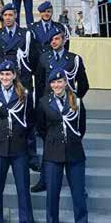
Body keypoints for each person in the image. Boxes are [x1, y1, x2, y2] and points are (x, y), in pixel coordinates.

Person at [0, 61, 37, 223]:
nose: (5, 77)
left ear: (14, 75)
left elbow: (30, 121)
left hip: (19, 148)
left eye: (8, 74)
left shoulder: (25, 94)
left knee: (23, 191)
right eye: (2, 74)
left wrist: (24, 141)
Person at [37, 70, 92, 223]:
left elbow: (81, 127)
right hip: (53, 154)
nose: (57, 86)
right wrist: (54, 142)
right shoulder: (44, 102)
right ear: (50, 85)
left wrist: (71, 141)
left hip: (75, 154)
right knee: (52, 196)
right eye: (53, 83)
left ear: (65, 83)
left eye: (60, 82)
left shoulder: (76, 100)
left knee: (78, 196)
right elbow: (41, 128)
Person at [32, 27, 89, 193]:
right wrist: (41, 104)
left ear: (64, 40)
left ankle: (78, 184)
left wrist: (74, 100)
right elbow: (40, 83)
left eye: (57, 39)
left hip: (68, 107)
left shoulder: (74, 59)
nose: (54, 42)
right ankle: (44, 180)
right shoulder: (44, 58)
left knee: (72, 143)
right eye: (52, 40)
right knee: (48, 144)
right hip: (49, 109)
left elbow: (84, 84)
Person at [0, 3, 39, 171]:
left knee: (27, 118)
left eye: (11, 14)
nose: (8, 18)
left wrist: (27, 77)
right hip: (3, 80)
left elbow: (33, 58)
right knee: (0, 118)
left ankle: (31, 155)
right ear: (2, 17)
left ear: (16, 15)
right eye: (5, 15)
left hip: (21, 80)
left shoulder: (26, 34)